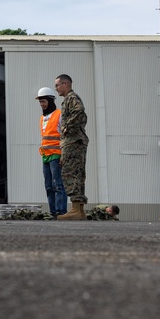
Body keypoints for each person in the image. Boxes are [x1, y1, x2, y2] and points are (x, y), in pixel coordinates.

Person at [54, 74, 90, 220]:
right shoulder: (70, 99)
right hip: (76, 142)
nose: (56, 88)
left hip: (72, 142)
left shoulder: (71, 98)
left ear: (66, 84)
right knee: (78, 174)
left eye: (57, 85)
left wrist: (67, 127)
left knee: (70, 173)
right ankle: (79, 209)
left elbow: (79, 110)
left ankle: (75, 209)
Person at [36, 87, 67, 218]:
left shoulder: (59, 115)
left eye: (44, 101)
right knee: (49, 186)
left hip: (56, 154)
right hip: (45, 156)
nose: (42, 104)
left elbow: (65, 136)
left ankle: (61, 211)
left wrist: (63, 155)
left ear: (50, 100)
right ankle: (53, 212)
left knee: (58, 185)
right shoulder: (42, 118)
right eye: (40, 102)